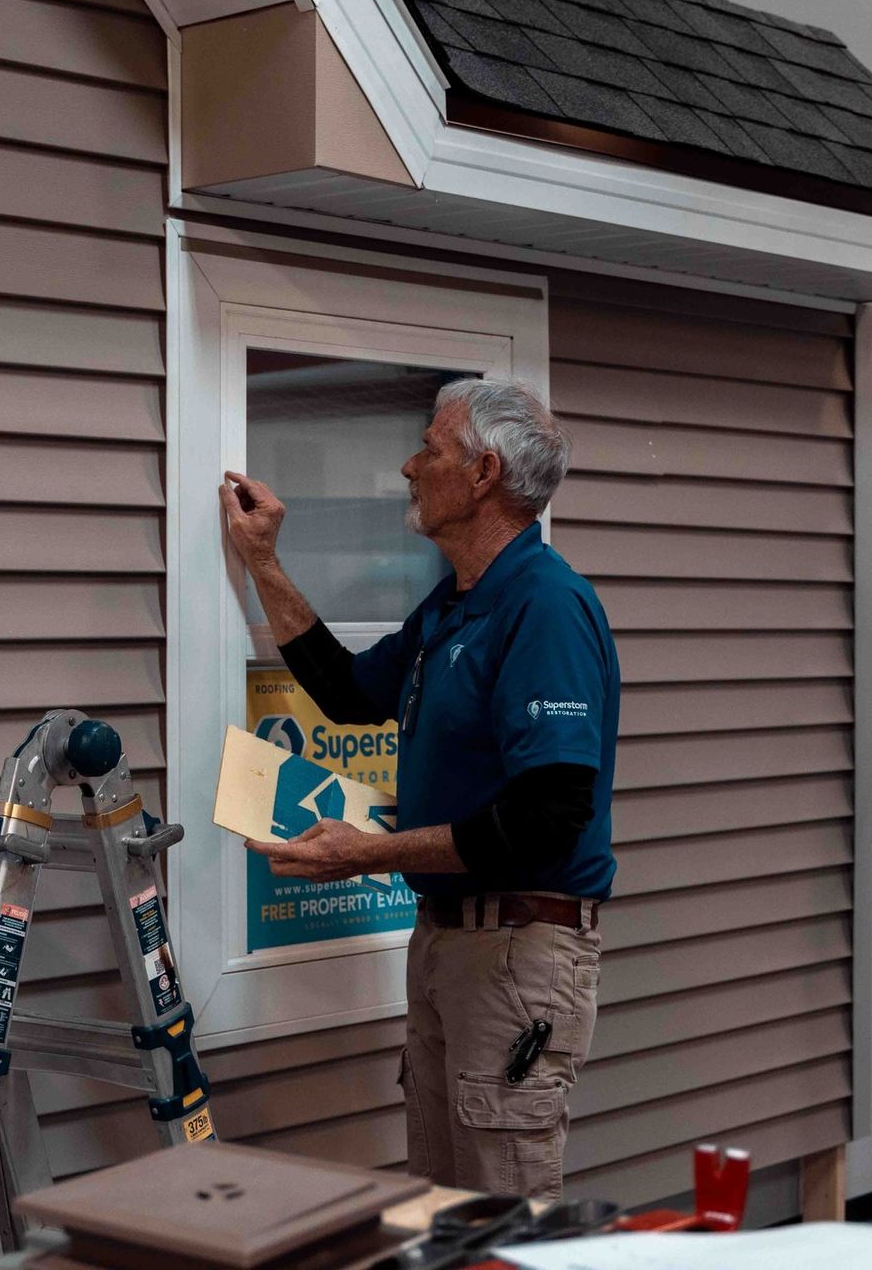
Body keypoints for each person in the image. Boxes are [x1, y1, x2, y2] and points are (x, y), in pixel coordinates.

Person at [220, 376, 619, 1202]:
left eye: (429, 449)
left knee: (502, 1219)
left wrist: (366, 854)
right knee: (439, 1209)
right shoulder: (456, 605)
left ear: (482, 474)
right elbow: (347, 692)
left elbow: (547, 818)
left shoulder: (545, 606)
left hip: (515, 954)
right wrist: (263, 559)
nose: (408, 467)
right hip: (446, 941)